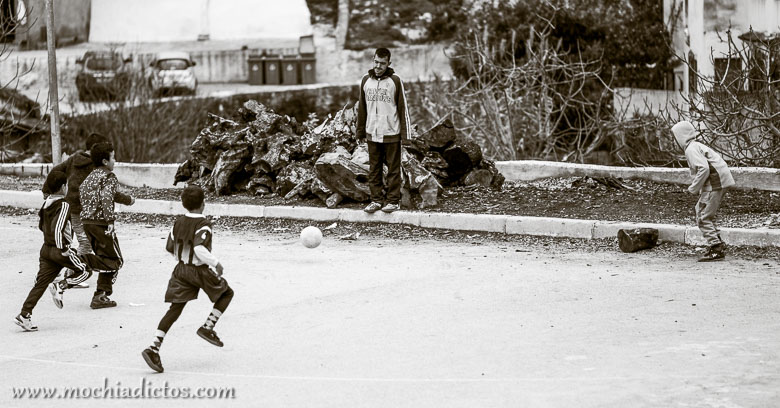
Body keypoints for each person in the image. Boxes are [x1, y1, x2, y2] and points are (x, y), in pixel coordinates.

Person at [141, 185, 234, 373]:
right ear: (203, 204)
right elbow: (200, 248)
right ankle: (208, 327)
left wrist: (182, 258)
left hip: (180, 270)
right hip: (199, 271)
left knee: (175, 308)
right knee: (226, 293)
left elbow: (169, 246)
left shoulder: (178, 222)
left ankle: (153, 348)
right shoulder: (203, 223)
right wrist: (216, 263)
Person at [14, 171, 95, 331]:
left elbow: (41, 225)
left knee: (41, 284)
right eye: (66, 185)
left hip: (45, 250)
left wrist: (51, 243)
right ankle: (61, 286)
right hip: (60, 250)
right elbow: (57, 227)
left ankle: (24, 314)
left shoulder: (46, 204)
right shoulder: (64, 204)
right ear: (63, 187)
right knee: (86, 270)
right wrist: (63, 248)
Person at [79, 142, 135, 308]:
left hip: (87, 223)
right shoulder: (109, 177)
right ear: (105, 161)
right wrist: (110, 221)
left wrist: (127, 199)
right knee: (115, 260)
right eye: (113, 157)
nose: (115, 160)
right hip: (101, 224)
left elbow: (104, 194)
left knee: (107, 258)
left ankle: (101, 295)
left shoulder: (90, 177)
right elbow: (106, 198)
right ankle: (77, 261)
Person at [357, 47, 411, 213]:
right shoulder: (366, 80)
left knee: (393, 169)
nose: (378, 66)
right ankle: (376, 200)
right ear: (373, 60)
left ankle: (393, 201)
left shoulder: (394, 81)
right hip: (372, 132)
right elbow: (362, 109)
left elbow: (403, 109)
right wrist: (360, 132)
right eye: (376, 62)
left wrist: (405, 135)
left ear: (389, 63)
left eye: (382, 63)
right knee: (374, 169)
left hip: (391, 133)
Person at [671, 120, 735, 262]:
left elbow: (704, 169)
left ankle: (716, 248)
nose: (674, 142)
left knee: (703, 216)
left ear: (680, 137)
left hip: (715, 183)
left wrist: (694, 188)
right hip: (719, 182)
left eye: (674, 138)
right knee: (704, 212)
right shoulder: (696, 145)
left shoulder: (690, 149)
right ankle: (717, 242)